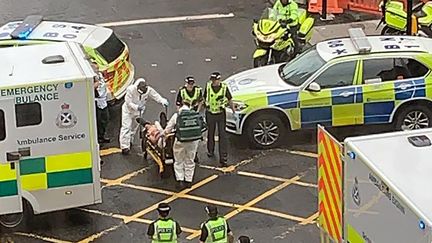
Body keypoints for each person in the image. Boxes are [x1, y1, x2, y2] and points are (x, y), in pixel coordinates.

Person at [119, 78, 169, 155]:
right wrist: (136, 107)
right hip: (128, 111)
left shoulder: (148, 90)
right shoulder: (130, 89)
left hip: (138, 112)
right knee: (126, 127)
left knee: (134, 127)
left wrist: (162, 101)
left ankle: (130, 141)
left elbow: (155, 96)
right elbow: (128, 102)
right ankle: (124, 146)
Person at [164, 100, 204, 189]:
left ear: (180, 106)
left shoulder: (177, 115)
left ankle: (180, 180)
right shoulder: (195, 114)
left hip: (181, 141)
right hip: (193, 141)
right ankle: (188, 181)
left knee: (178, 160)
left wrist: (164, 134)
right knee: (190, 160)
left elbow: (167, 130)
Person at [203, 72, 235, 167]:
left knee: (222, 135)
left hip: (221, 114)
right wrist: (205, 105)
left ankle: (223, 157)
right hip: (210, 113)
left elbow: (229, 99)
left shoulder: (224, 88)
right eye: (212, 80)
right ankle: (210, 150)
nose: (213, 82)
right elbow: (205, 98)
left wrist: (234, 111)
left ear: (219, 80)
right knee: (211, 133)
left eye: (215, 80)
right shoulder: (208, 86)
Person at [91, 62, 110, 144]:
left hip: (103, 100)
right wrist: (96, 83)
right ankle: (98, 137)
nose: (97, 70)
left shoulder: (100, 75)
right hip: (96, 101)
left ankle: (102, 135)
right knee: (98, 121)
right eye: (95, 69)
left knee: (105, 119)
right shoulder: (91, 78)